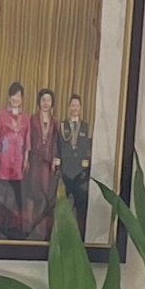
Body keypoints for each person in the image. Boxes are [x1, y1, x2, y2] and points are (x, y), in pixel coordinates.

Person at [0, 81, 32, 236]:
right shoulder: (2, 114)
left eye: (19, 96)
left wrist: (26, 158)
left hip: (18, 161)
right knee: (1, 193)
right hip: (4, 158)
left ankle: (8, 226)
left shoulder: (26, 117)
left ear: (22, 99)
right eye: (14, 96)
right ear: (9, 97)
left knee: (12, 195)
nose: (16, 99)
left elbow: (28, 139)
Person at [26, 88, 62, 238]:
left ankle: (41, 226)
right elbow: (28, 139)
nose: (46, 103)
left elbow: (57, 142)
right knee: (32, 191)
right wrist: (27, 158)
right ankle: (29, 224)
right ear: (39, 102)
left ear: (52, 103)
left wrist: (55, 159)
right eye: (43, 100)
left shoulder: (55, 122)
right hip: (34, 160)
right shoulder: (33, 119)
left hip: (48, 163)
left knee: (45, 193)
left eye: (48, 100)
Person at [57, 93, 93, 234]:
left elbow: (86, 146)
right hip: (66, 168)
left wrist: (86, 163)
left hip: (80, 171)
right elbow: (59, 145)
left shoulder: (85, 126)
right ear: (69, 107)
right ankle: (63, 232)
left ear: (80, 107)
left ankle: (80, 233)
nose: (75, 108)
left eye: (77, 105)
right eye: (73, 105)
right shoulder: (63, 125)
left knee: (80, 203)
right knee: (64, 204)